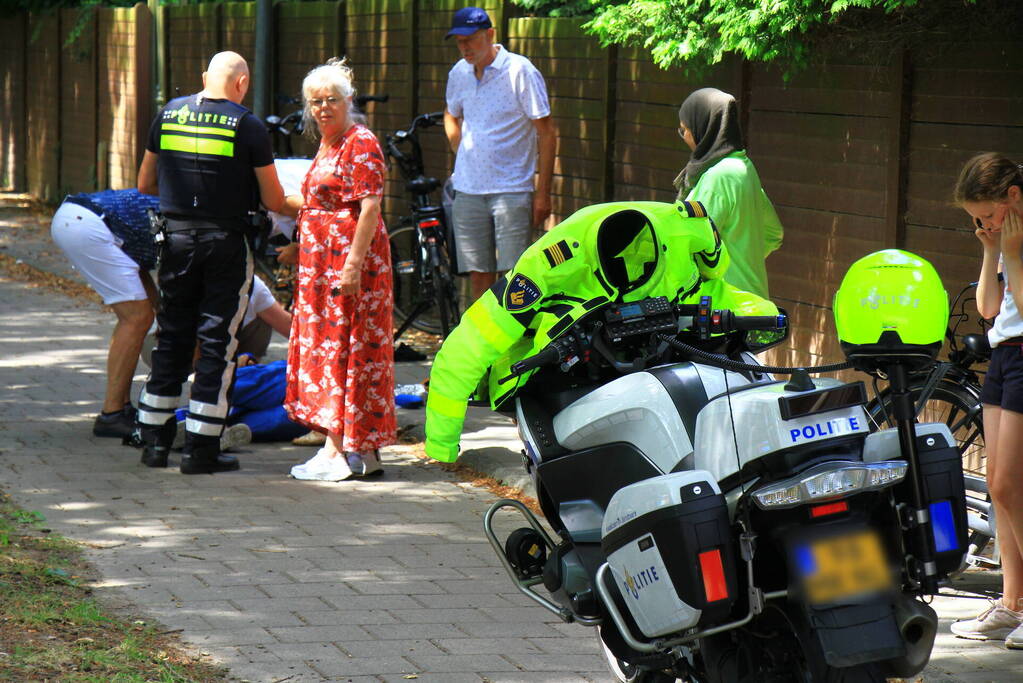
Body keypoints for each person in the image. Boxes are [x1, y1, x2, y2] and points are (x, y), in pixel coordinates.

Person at [424, 200, 779, 463]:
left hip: (675, 331)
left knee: (766, 317)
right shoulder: (547, 267)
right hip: (566, 368)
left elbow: (717, 269)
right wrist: (442, 446)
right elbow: (465, 349)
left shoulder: (686, 223)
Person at [135, 51, 288, 475]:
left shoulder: (168, 114)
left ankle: (154, 442)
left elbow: (144, 182)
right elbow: (274, 200)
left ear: (204, 77)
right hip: (225, 243)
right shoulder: (248, 125)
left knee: (173, 337)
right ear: (242, 84)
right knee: (218, 342)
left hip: (176, 241)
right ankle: (201, 449)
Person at [283, 58, 396, 482]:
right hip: (321, 264)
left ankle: (335, 450)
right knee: (343, 349)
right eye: (316, 102)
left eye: (331, 99)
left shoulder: (360, 142)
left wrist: (350, 266)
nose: (323, 107)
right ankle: (366, 452)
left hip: (350, 267)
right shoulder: (329, 144)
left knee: (345, 350)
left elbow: (369, 209)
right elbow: (321, 205)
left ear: (348, 101)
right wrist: (301, 247)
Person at [950, 152, 1023, 648]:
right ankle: (1012, 603)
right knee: (999, 490)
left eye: (987, 214)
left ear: (1012, 198)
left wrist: (1012, 253)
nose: (983, 224)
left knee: (1008, 483)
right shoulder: (1004, 237)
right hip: (1003, 354)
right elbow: (988, 308)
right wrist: (991, 249)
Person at [444, 6, 556, 302]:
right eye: (459, 41)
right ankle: (480, 346)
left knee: (514, 278)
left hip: (512, 189)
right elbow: (450, 113)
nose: (464, 47)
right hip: (467, 190)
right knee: (478, 274)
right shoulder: (459, 72)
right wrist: (460, 149)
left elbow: (547, 132)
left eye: (470, 39)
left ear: (490, 34)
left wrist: (542, 193)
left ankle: (514, 347)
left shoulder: (520, 71)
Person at [50, 189, 161, 439]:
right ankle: (111, 415)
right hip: (89, 224)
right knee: (137, 317)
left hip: (81, 219)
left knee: (136, 317)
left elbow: (146, 275)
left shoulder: (194, 209)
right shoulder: (202, 227)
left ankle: (121, 408)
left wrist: (161, 313)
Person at [675, 88, 783, 300]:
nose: (684, 137)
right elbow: (773, 232)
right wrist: (742, 258)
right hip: (754, 305)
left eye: (684, 130)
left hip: (725, 311)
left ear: (703, 128)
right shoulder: (743, 168)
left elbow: (693, 245)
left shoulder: (718, 177)